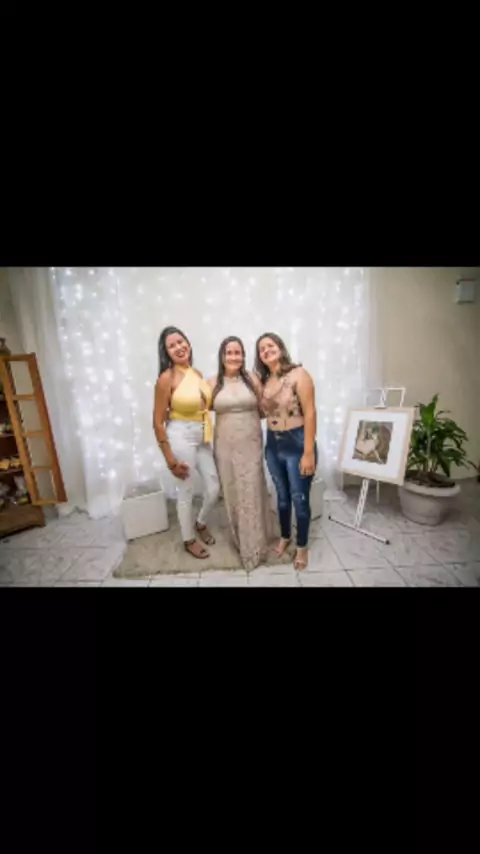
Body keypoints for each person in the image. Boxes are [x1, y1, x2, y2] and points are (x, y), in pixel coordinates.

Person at [153, 326, 220, 559]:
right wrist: (170, 460)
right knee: (186, 490)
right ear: (166, 352)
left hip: (202, 435)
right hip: (180, 435)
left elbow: (205, 405)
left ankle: (200, 522)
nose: (178, 347)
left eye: (181, 342)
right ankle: (188, 539)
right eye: (171, 346)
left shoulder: (197, 373)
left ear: (188, 344)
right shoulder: (166, 378)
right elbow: (157, 422)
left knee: (214, 488)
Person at [208, 336, 273, 569]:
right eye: (229, 352)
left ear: (244, 356)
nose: (234, 357)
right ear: (222, 356)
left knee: (252, 489)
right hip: (224, 444)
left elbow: (264, 410)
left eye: (238, 353)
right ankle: (240, 540)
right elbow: (201, 411)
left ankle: (255, 545)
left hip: (250, 442)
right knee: (232, 490)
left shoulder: (253, 379)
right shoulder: (212, 382)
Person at [255, 332, 317, 570]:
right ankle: (285, 536)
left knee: (299, 498)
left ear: (280, 347)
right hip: (273, 444)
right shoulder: (264, 383)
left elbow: (310, 413)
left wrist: (308, 452)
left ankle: (302, 546)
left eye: (270, 345)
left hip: (297, 442)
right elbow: (263, 413)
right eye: (262, 349)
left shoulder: (299, 374)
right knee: (281, 497)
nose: (266, 350)